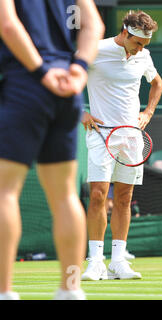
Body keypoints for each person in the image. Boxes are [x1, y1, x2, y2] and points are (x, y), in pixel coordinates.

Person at [0, 0, 104, 300]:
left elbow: (8, 25)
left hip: (27, 82)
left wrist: (41, 72)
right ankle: (71, 290)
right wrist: (80, 69)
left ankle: (4, 291)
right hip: (68, 87)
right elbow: (94, 24)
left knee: (5, 192)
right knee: (65, 195)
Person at [81, 10, 162, 281]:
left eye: (145, 45)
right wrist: (79, 112)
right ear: (125, 33)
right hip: (100, 134)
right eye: (138, 43)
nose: (141, 49)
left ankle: (118, 262)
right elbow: (67, 77)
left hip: (131, 136)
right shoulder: (96, 49)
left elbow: (157, 83)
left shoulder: (144, 56)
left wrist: (148, 113)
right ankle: (95, 262)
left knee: (124, 198)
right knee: (98, 196)